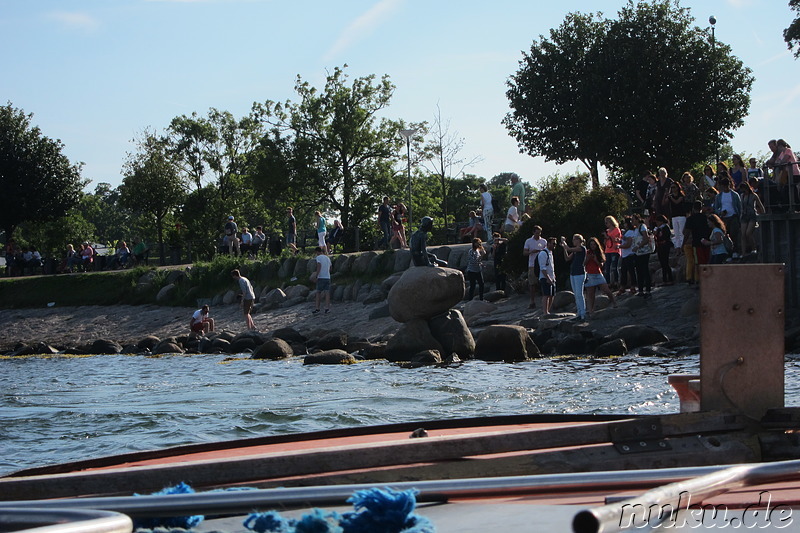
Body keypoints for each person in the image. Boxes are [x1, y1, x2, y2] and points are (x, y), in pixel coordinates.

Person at [584, 236, 616, 314]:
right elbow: (583, 264)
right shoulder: (587, 253)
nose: (593, 246)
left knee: (607, 290)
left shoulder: (599, 253)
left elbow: (601, 265)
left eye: (594, 245)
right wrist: (588, 258)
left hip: (598, 274)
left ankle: (614, 302)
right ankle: (591, 310)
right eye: (591, 245)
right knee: (591, 294)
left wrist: (595, 260)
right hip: (589, 274)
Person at [712, 176, 742, 258]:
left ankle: (735, 251)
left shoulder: (735, 195)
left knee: (734, 234)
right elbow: (716, 207)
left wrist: (739, 218)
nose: (725, 187)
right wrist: (720, 212)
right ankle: (728, 253)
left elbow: (739, 207)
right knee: (725, 236)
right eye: (723, 186)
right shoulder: (719, 196)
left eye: (726, 185)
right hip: (724, 218)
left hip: (733, 216)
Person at [561, 234, 587, 320]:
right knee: (576, 294)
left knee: (579, 293)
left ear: (579, 240)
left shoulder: (581, 248)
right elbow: (567, 258)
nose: (573, 241)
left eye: (574, 239)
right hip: (573, 273)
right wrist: (564, 248)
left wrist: (564, 242)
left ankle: (583, 313)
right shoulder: (575, 251)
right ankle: (579, 313)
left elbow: (569, 248)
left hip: (579, 273)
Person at [523, 225, 547, 309]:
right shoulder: (528, 241)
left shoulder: (544, 241)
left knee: (544, 282)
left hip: (542, 264)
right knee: (532, 283)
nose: (538, 234)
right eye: (537, 233)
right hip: (532, 264)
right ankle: (532, 301)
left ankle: (544, 301)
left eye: (539, 232)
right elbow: (524, 253)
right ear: (533, 232)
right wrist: (531, 251)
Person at [630, 213, 653, 299]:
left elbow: (646, 238)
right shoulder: (635, 229)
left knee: (644, 270)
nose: (632, 222)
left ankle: (647, 289)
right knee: (639, 271)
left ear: (637, 219)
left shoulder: (642, 227)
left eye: (633, 220)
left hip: (643, 252)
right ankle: (640, 289)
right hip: (638, 253)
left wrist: (638, 246)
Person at [739, 182, 765, 256]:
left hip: (752, 215)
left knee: (748, 233)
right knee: (743, 234)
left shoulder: (754, 195)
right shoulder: (742, 196)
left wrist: (763, 215)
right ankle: (743, 253)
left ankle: (754, 248)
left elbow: (760, 205)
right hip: (744, 215)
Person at [653, 214, 674, 286]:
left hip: (665, 246)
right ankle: (665, 279)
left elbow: (666, 236)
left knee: (665, 262)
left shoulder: (665, 227)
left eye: (658, 221)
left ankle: (669, 279)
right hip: (660, 246)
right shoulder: (658, 228)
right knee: (662, 263)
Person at [602, 216, 621, 290]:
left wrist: (608, 236)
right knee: (607, 268)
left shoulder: (616, 230)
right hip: (608, 250)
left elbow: (617, 240)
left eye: (607, 222)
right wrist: (605, 237)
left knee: (614, 267)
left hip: (614, 250)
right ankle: (608, 283)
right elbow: (605, 242)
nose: (606, 224)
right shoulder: (607, 231)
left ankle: (616, 282)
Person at [665, 181, 686, 249]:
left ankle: (683, 247)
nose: (673, 189)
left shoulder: (681, 195)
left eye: (674, 187)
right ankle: (678, 247)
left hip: (681, 215)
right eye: (671, 188)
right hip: (674, 216)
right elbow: (664, 203)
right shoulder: (670, 196)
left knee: (682, 233)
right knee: (676, 233)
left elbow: (677, 202)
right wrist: (666, 195)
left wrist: (670, 197)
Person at [312, 246, 332, 314]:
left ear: (317, 252)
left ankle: (317, 308)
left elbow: (319, 266)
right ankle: (327, 308)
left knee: (318, 292)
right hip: (327, 277)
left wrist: (316, 275)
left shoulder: (318, 257)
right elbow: (330, 268)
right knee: (327, 293)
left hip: (321, 277)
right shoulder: (327, 258)